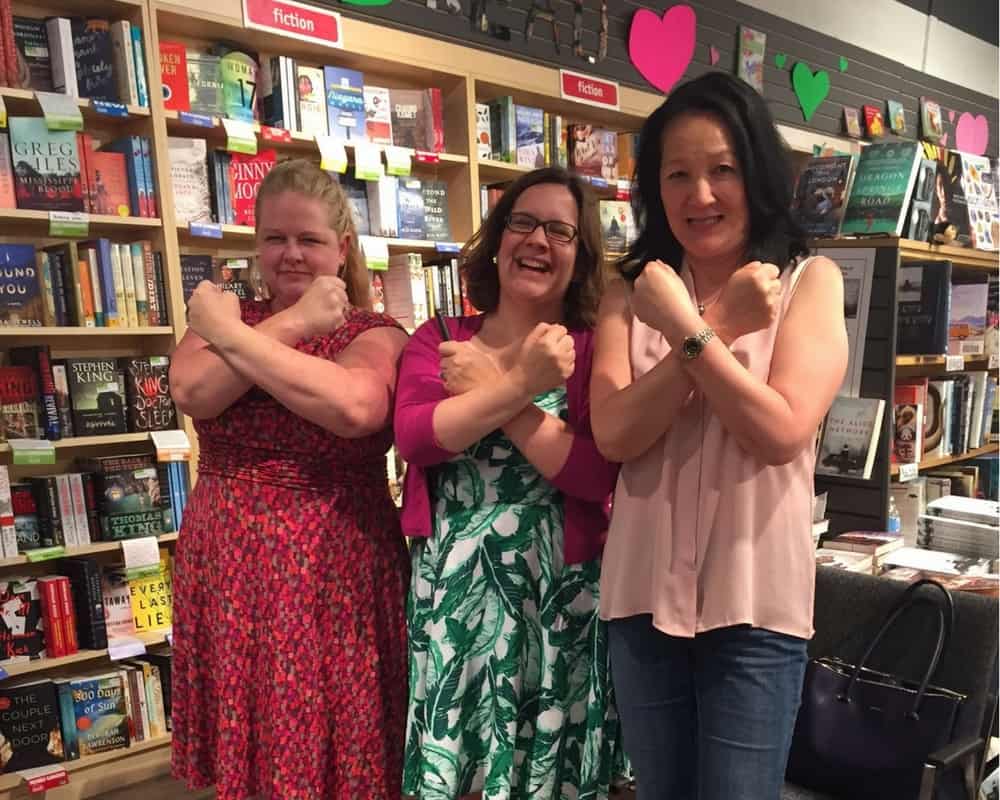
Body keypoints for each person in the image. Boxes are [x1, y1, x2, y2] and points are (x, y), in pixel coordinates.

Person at [590, 71, 848, 800]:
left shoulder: (809, 283)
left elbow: (781, 430)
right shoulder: (629, 293)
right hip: (642, 601)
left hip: (754, 608)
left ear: (757, 174)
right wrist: (715, 328)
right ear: (654, 188)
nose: (699, 195)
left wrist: (689, 327)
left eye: (722, 170)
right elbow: (614, 433)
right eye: (677, 174)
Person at [168, 159, 410, 800]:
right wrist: (295, 322)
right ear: (257, 244)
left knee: (343, 750)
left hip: (332, 566)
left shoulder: (375, 332)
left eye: (309, 239)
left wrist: (229, 336)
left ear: (343, 247)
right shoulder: (233, 316)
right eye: (275, 238)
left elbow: (354, 407)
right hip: (229, 566)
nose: (291, 253)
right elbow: (193, 391)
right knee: (251, 759)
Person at [395, 167, 623, 800]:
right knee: (459, 772)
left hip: (559, 598)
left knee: (549, 778)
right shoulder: (439, 338)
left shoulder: (592, 349)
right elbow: (417, 438)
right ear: (497, 240)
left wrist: (492, 390)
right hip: (454, 596)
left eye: (560, 231)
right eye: (522, 223)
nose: (537, 241)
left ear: (580, 256)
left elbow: (594, 473)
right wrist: (523, 383)